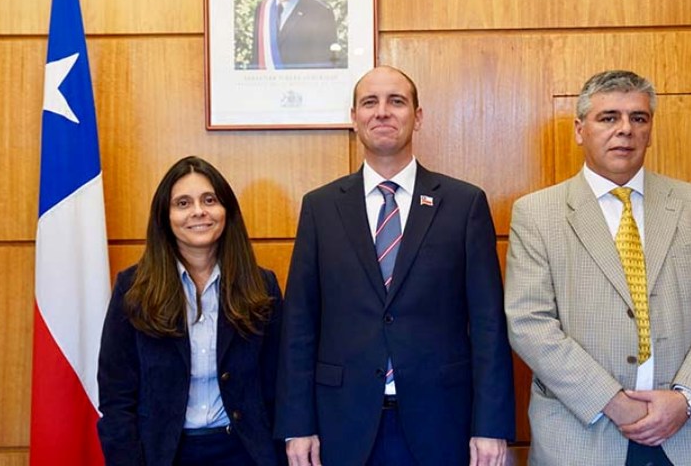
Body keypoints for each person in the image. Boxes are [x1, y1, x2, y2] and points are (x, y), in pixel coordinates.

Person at [504, 70, 691, 466]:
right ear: (580, 130)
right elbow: (529, 322)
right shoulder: (537, 213)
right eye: (608, 118)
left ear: (650, 130)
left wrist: (685, 399)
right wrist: (613, 402)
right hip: (580, 435)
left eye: (638, 118)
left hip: (681, 436)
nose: (625, 130)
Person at [275, 66, 515, 466]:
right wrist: (297, 424)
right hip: (342, 421)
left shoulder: (463, 204)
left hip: (442, 420)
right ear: (354, 118)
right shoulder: (320, 207)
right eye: (370, 102)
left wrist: (490, 425)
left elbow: (488, 324)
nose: (382, 112)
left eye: (396, 101)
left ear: (417, 116)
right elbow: (300, 324)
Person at [97, 156, 286, 466]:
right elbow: (116, 397)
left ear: (226, 211)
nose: (198, 211)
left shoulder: (261, 285)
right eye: (182, 203)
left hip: (244, 451)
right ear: (165, 216)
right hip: (163, 454)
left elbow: (279, 386)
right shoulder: (133, 289)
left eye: (209, 200)